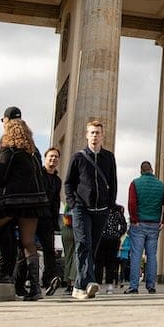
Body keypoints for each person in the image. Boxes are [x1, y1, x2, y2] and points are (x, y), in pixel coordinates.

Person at [0, 116, 51, 301]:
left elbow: (1, 176)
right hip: (35, 202)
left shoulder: (8, 149)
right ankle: (36, 289)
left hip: (12, 201)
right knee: (28, 242)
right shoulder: (33, 153)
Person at [65, 118, 118, 300]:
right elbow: (68, 183)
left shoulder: (109, 157)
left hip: (101, 209)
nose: (95, 136)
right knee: (83, 244)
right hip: (81, 208)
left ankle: (81, 285)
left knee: (92, 247)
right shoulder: (78, 157)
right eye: (92, 133)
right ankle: (86, 284)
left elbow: (113, 182)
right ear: (87, 135)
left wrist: (110, 204)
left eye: (98, 133)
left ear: (103, 136)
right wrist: (73, 203)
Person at [125, 160, 164, 294]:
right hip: (154, 224)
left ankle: (134, 286)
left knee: (136, 255)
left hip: (139, 223)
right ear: (152, 170)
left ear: (141, 171)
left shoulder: (135, 183)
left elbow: (132, 203)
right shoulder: (161, 185)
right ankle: (151, 286)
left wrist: (134, 219)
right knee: (151, 255)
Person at [37, 148, 63, 294]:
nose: (53, 159)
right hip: (34, 216)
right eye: (51, 156)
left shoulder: (57, 180)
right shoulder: (37, 175)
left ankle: (49, 280)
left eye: (56, 157)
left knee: (49, 250)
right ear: (45, 158)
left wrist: (55, 222)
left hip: (47, 219)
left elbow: (56, 202)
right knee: (26, 249)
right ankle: (20, 281)